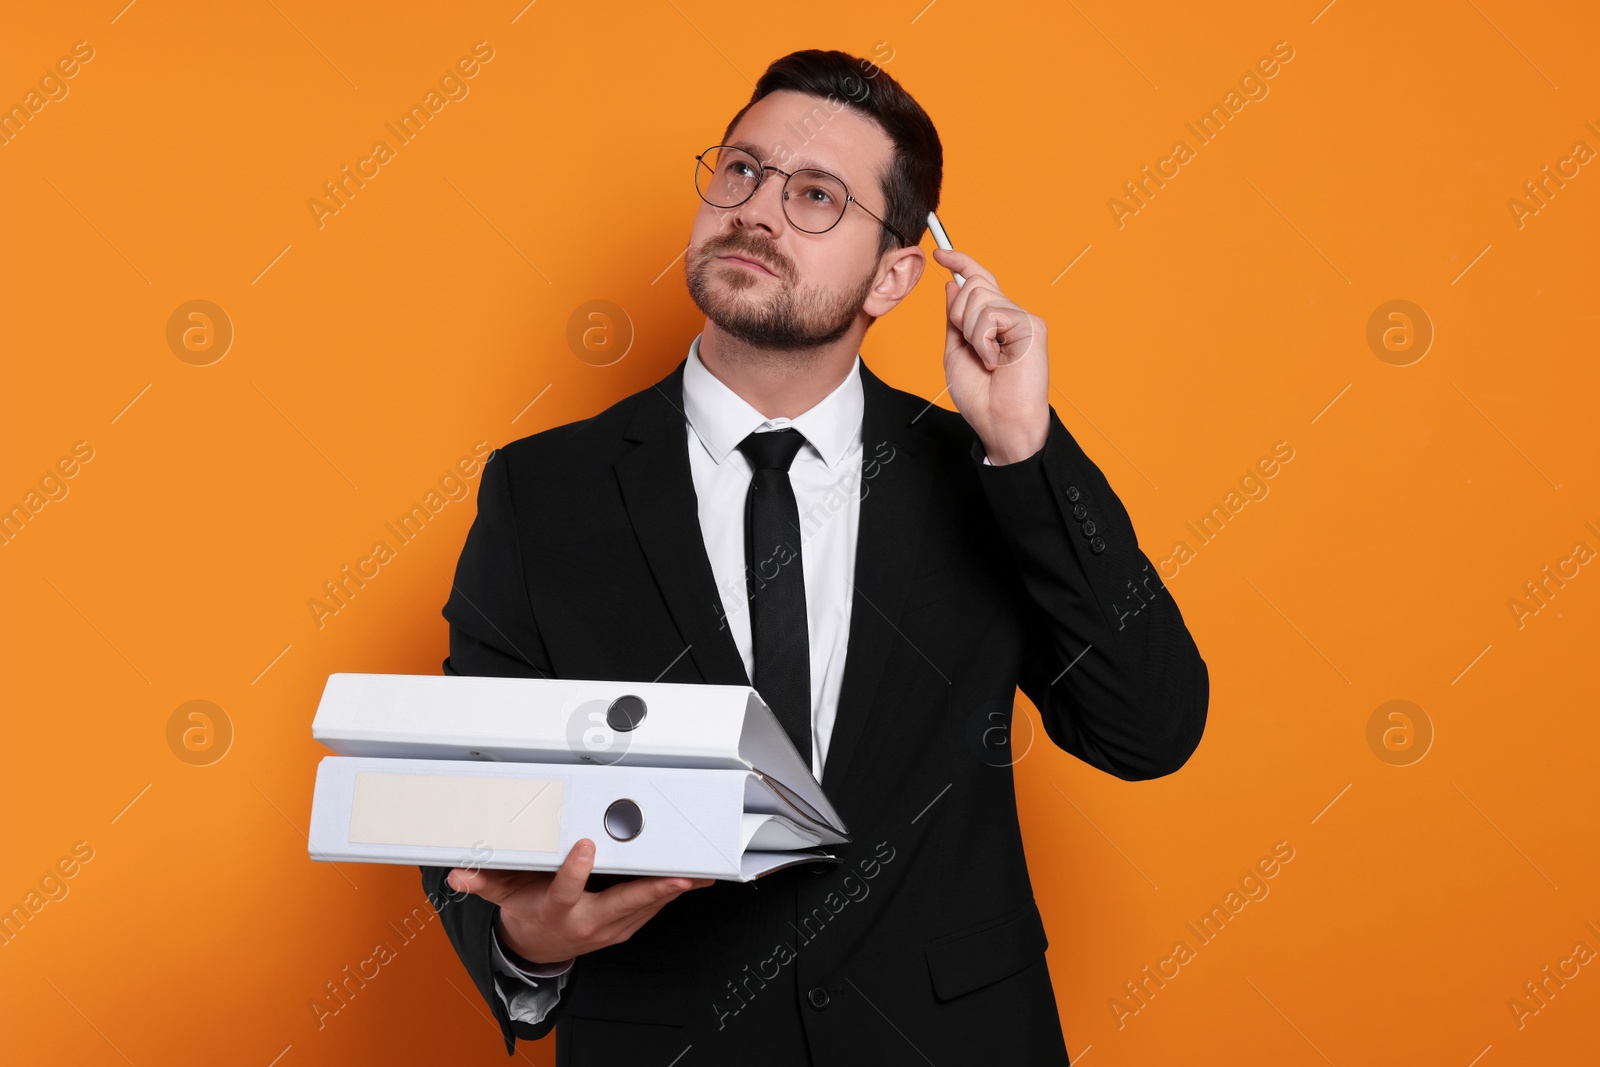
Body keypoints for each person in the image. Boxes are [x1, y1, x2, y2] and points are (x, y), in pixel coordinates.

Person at [420, 47, 1208, 1064]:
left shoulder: (983, 470)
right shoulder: (543, 489)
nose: (755, 210)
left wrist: (1025, 445)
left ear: (895, 275)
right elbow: (468, 775)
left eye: (815, 195)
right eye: (740, 171)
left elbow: (1145, 727)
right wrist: (523, 943)